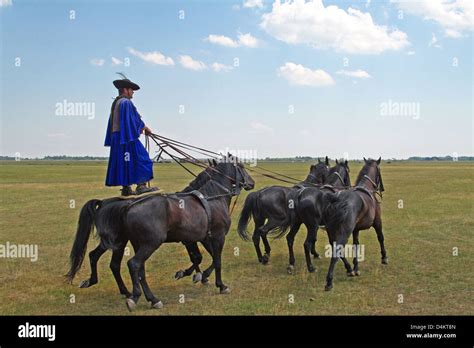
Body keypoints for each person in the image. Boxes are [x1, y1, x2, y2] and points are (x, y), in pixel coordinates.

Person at [104, 75, 158, 196]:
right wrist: (144, 128)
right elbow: (133, 120)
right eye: (131, 90)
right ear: (125, 90)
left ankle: (126, 188)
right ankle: (141, 186)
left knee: (124, 162)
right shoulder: (126, 103)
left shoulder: (116, 103)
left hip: (118, 138)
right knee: (144, 159)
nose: (133, 92)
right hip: (126, 138)